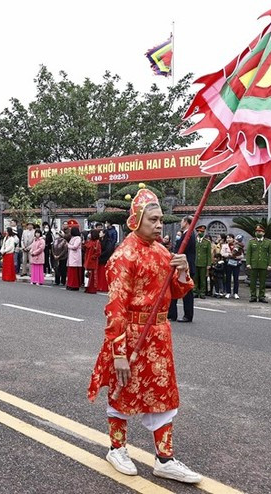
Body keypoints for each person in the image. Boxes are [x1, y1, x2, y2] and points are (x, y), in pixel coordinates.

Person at [88, 187, 201, 484]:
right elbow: (115, 308)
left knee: (163, 395)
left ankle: (165, 459)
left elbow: (175, 293)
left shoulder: (163, 252)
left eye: (161, 219)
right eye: (153, 219)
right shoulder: (124, 256)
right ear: (136, 220)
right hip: (131, 333)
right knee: (122, 391)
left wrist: (181, 271)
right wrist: (119, 353)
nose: (159, 225)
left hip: (160, 335)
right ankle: (116, 448)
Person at [168, 215, 195, 322]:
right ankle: (172, 314)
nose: (180, 223)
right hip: (181, 265)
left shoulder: (188, 234)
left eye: (182, 221)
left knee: (187, 292)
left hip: (185, 266)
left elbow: (181, 251)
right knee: (174, 288)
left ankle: (187, 315)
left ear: (186, 222)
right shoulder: (185, 234)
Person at [246, 225, 271, 303]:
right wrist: (248, 263)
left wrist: (270, 264)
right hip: (253, 264)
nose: (258, 233)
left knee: (262, 282)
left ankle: (261, 296)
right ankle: (253, 296)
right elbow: (248, 254)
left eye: (260, 231)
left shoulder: (268, 242)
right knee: (253, 282)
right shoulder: (251, 242)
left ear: (263, 233)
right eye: (257, 231)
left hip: (263, 264)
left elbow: (270, 254)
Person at [220, 234, 243, 299]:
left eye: (230, 238)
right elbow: (222, 253)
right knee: (228, 278)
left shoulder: (238, 245)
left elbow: (242, 255)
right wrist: (229, 254)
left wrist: (236, 256)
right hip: (228, 264)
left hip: (236, 264)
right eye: (227, 238)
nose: (228, 239)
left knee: (236, 278)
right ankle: (228, 292)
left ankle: (235, 293)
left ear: (233, 239)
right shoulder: (224, 246)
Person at [193, 225, 211, 299]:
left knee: (203, 279)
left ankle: (202, 292)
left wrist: (208, 264)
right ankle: (195, 291)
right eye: (199, 231)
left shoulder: (207, 242)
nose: (200, 233)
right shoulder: (194, 241)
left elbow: (209, 254)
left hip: (203, 263)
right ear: (197, 232)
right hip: (195, 262)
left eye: (202, 232)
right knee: (195, 278)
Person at [84, 229, 102, 294]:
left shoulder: (97, 242)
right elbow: (85, 246)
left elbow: (98, 252)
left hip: (92, 261)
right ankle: (87, 287)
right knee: (87, 275)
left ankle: (92, 289)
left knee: (92, 276)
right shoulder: (90, 241)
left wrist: (93, 257)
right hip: (88, 260)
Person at [66, 226, 83, 291]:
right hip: (72, 256)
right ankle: (70, 284)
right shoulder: (73, 238)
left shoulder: (78, 238)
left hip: (75, 257)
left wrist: (68, 245)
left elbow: (75, 246)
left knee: (74, 273)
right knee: (71, 272)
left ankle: (74, 285)